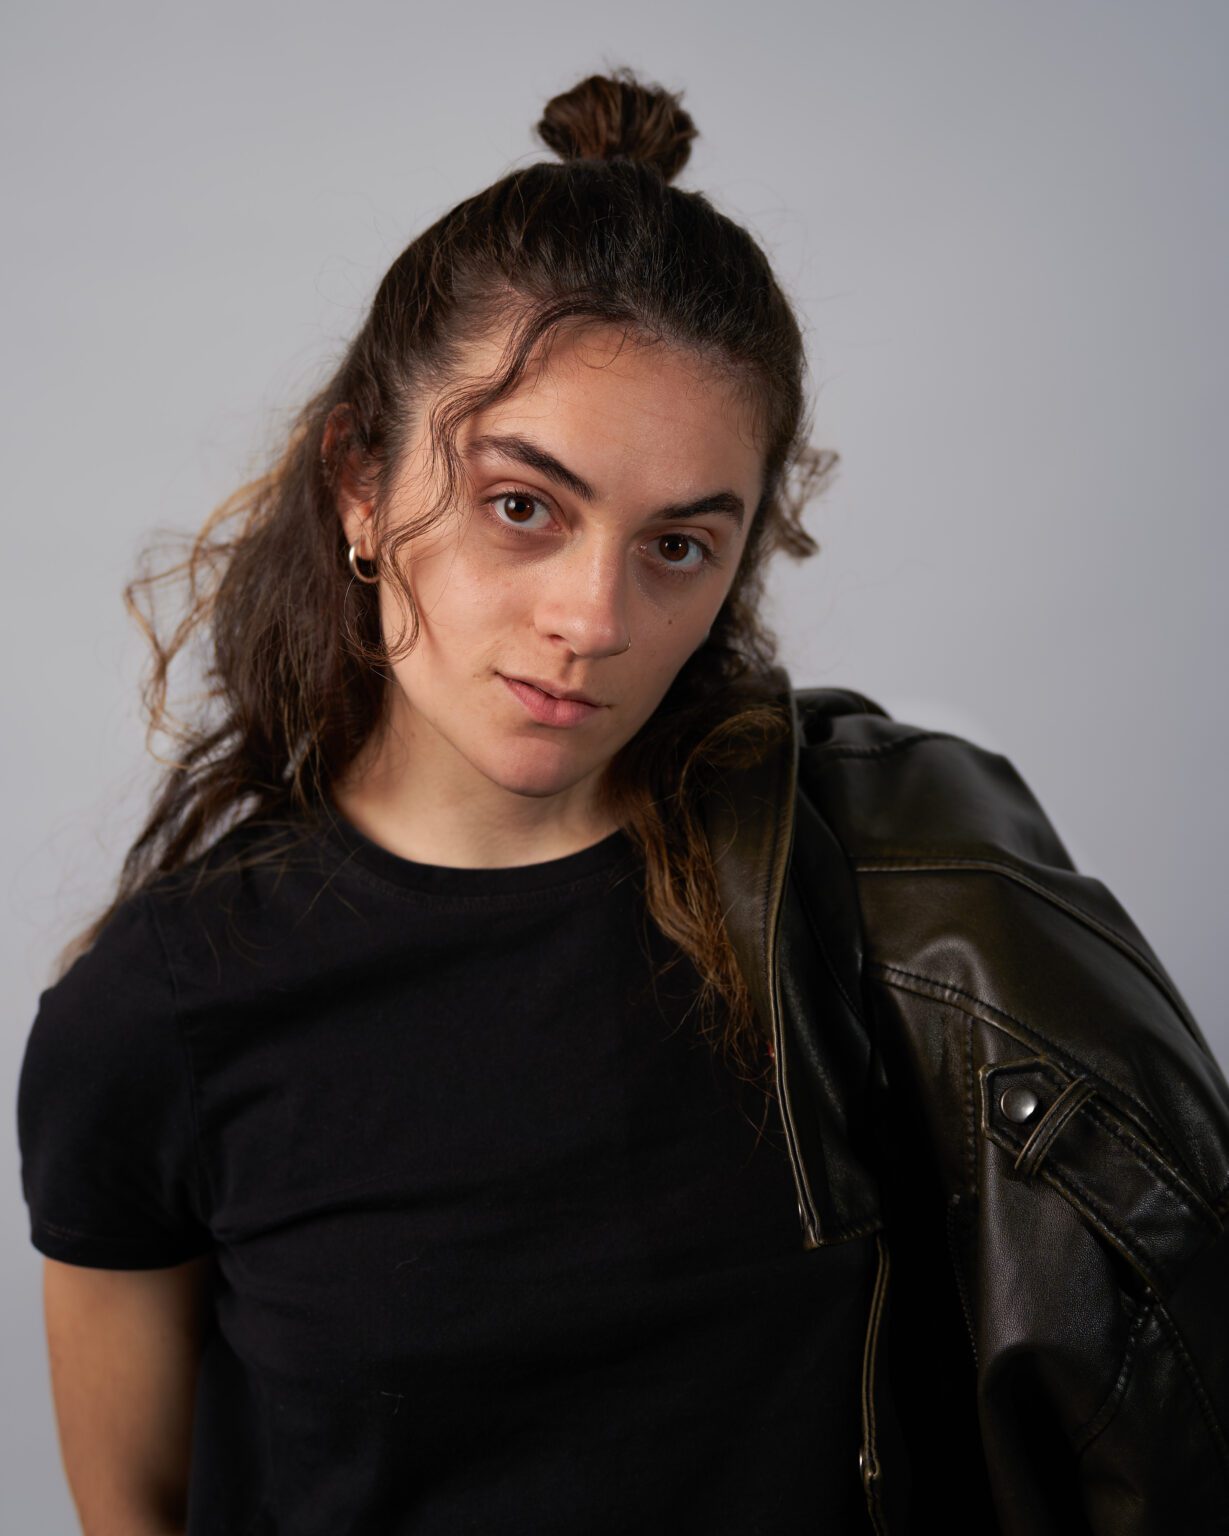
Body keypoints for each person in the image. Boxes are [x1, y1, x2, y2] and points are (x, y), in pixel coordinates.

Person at [14, 67, 1229, 1536]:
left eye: (676, 546)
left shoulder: (875, 897)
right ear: (358, 483)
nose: (592, 620)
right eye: (522, 506)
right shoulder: (160, 1011)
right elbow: (136, 1508)